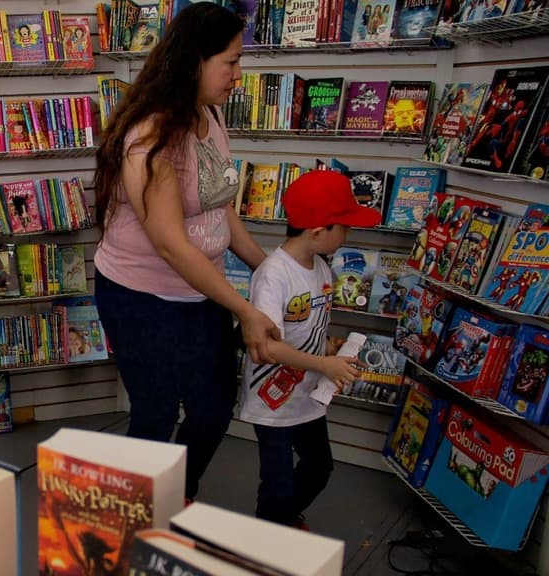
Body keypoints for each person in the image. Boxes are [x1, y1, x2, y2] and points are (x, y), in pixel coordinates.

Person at [92, 2, 281, 502]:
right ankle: (137, 510)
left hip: (201, 292)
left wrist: (270, 270)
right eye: (231, 62)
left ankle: (177, 492)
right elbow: (172, 245)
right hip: (139, 296)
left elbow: (220, 209)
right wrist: (245, 308)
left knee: (214, 409)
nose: (238, 75)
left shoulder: (209, 114)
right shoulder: (150, 138)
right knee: (154, 415)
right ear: (195, 61)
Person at [238, 170, 380, 528]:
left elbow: (306, 327)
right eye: (345, 227)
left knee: (319, 466)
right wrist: (324, 364)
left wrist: (329, 349)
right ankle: (265, 538)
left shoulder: (321, 268)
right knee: (277, 482)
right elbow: (267, 347)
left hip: (307, 396)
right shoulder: (274, 275)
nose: (349, 234)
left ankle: (282, 521)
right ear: (318, 232)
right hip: (272, 401)